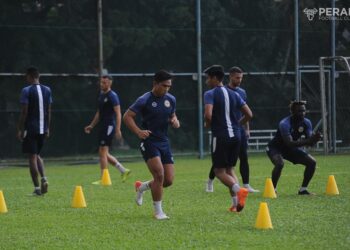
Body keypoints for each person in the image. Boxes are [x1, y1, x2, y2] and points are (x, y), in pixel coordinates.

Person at [123, 70, 180, 220]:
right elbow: (127, 116)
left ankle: (141, 187)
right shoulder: (144, 99)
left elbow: (173, 115)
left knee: (168, 180)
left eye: (169, 86)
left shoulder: (171, 99)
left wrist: (175, 121)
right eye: (164, 85)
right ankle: (158, 212)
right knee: (159, 175)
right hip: (149, 142)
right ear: (155, 83)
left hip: (164, 142)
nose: (167, 89)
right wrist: (138, 132)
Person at [203, 65, 253, 212]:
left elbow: (208, 115)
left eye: (208, 78)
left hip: (221, 136)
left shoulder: (210, 94)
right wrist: (237, 125)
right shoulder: (235, 94)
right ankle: (236, 204)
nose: (207, 82)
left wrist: (207, 123)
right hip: (237, 136)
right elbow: (249, 114)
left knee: (219, 172)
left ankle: (239, 190)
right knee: (230, 170)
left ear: (214, 78)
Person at [266, 100, 321, 195]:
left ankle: (303, 190)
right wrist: (309, 140)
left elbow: (309, 143)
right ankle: (272, 190)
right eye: (299, 111)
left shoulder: (307, 122)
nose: (302, 113)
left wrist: (316, 139)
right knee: (279, 164)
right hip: (275, 148)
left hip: (290, 149)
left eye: (304, 111)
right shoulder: (285, 123)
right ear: (292, 112)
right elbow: (290, 143)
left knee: (312, 162)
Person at [84, 74, 130, 183]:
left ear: (110, 83)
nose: (102, 84)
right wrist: (91, 125)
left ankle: (104, 179)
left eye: (104, 83)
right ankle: (123, 170)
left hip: (109, 126)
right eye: (101, 82)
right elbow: (99, 113)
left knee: (102, 152)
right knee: (104, 153)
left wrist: (118, 129)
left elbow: (118, 113)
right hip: (102, 126)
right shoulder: (101, 95)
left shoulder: (112, 96)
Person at [17, 67, 51, 196]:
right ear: (39, 76)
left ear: (30, 76)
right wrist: (48, 127)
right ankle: (44, 179)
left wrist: (20, 128)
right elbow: (48, 111)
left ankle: (37, 189)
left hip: (31, 128)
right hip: (43, 129)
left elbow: (24, 111)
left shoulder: (26, 90)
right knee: (36, 155)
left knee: (31, 157)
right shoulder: (47, 90)